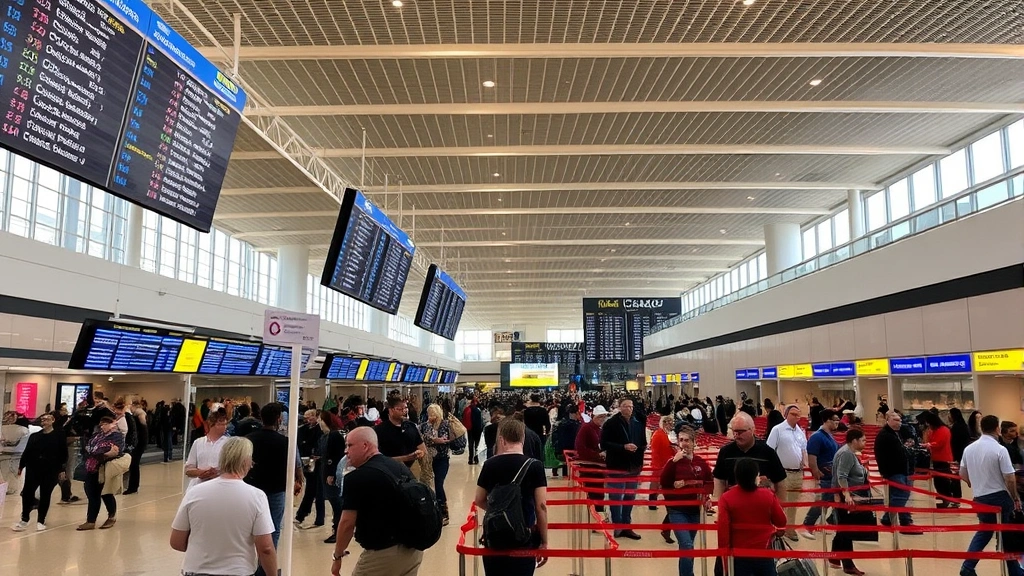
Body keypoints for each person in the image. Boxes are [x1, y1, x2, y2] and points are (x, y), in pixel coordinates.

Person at [170, 436, 278, 576]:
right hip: (238, 571)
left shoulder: (194, 493)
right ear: (246, 461)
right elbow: (266, 548)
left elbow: (176, 542)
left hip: (196, 571)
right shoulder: (256, 496)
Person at [330, 427, 423, 576]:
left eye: (349, 445)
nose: (346, 451)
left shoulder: (355, 478)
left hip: (383, 554)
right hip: (413, 550)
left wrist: (337, 556)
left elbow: (347, 523)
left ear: (365, 446)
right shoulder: (399, 468)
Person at [475, 417, 549, 576]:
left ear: (501, 439)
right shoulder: (535, 466)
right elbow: (541, 506)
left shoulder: (490, 464)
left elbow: (479, 499)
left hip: (494, 536)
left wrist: (500, 510)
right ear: (523, 437)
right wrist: (544, 542)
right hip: (524, 535)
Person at [959, 415, 1024, 576]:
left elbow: (962, 473)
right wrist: (1015, 497)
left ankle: (969, 565)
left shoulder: (969, 449)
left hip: (980, 496)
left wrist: (973, 483)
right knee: (1006, 533)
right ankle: (1014, 570)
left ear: (981, 428)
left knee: (986, 530)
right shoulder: (999, 449)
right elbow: (1009, 478)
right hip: (1000, 497)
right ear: (997, 429)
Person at [246, 402, 303, 561]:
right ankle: (267, 563)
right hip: (276, 490)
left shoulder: (249, 440)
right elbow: (296, 465)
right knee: (274, 528)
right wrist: (298, 481)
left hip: (251, 489)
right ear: (278, 419)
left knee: (249, 528)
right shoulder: (285, 442)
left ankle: (250, 562)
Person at [716, 458, 787, 576]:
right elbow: (781, 521)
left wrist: (724, 556)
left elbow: (723, 531)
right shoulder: (768, 495)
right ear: (756, 476)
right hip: (764, 552)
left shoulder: (726, 498)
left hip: (739, 554)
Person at [660, 426, 713, 576]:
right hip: (676, 510)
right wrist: (673, 462)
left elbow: (708, 481)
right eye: (681, 440)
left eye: (687, 440)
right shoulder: (673, 462)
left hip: (694, 510)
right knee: (687, 545)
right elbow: (664, 481)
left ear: (694, 442)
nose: (683, 443)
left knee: (687, 547)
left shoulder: (701, 462)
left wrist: (707, 497)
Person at [601, 398, 647, 540]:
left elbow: (643, 442)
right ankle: (617, 526)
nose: (629, 409)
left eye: (631, 406)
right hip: (617, 465)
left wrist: (639, 453)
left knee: (629, 497)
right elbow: (604, 444)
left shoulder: (638, 423)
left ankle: (627, 525)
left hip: (633, 466)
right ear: (620, 407)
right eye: (626, 406)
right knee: (616, 497)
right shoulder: (611, 423)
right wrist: (623, 447)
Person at [12, 412, 67, 532]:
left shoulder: (58, 436)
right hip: (34, 468)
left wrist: (62, 470)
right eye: (42, 420)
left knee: (45, 494)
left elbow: (63, 454)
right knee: (27, 493)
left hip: (50, 469)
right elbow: (27, 452)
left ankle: (41, 520)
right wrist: (21, 466)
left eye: (47, 419)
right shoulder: (35, 436)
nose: (44, 421)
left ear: (52, 421)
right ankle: (24, 518)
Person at [831, 428, 871, 576]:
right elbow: (842, 476)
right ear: (854, 440)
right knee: (846, 530)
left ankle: (834, 558)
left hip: (847, 495)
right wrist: (846, 494)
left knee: (842, 528)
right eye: (863, 440)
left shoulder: (848, 452)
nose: (865, 443)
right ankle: (848, 564)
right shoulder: (847, 453)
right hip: (848, 497)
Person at [873, 411, 921, 534]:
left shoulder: (897, 434)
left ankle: (904, 520)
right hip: (894, 471)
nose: (898, 422)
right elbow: (890, 455)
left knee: (900, 496)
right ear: (887, 420)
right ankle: (889, 518)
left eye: (899, 420)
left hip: (903, 470)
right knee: (901, 495)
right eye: (895, 420)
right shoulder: (885, 435)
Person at [765, 404, 807, 541]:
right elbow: (769, 451)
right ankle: (779, 529)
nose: (796, 417)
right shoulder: (777, 430)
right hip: (783, 473)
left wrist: (803, 465)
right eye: (793, 414)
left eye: (798, 414)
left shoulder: (800, 431)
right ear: (786, 415)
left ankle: (790, 529)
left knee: (793, 504)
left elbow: (803, 449)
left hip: (797, 473)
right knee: (781, 503)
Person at [77, 416, 124, 531]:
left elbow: (115, 451)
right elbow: (89, 448)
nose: (102, 426)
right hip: (92, 467)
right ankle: (91, 520)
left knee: (106, 493)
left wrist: (103, 454)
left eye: (105, 424)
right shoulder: (97, 436)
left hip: (104, 468)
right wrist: (102, 453)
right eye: (101, 424)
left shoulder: (117, 436)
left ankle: (111, 516)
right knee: (92, 494)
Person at [799, 409, 840, 539]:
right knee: (821, 501)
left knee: (830, 501)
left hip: (831, 474)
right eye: (835, 420)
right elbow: (812, 457)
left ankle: (824, 523)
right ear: (827, 420)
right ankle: (807, 525)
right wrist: (816, 473)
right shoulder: (817, 437)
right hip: (824, 474)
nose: (837, 423)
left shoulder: (829, 435)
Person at [420, 403, 453, 526]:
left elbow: (447, 439)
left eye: (433, 414)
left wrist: (437, 440)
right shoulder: (424, 425)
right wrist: (433, 440)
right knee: (426, 484)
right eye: (429, 414)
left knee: (439, 483)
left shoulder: (445, 425)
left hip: (442, 459)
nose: (431, 417)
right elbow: (420, 437)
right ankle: (430, 511)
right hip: (428, 459)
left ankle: (444, 512)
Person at [184, 409, 230, 492]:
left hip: (221, 488)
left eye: (225, 424)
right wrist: (202, 473)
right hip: (199, 488)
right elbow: (188, 469)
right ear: (211, 424)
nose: (225, 427)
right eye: (221, 424)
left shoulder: (229, 443)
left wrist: (217, 473)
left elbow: (234, 468)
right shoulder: (198, 442)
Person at [319, 410, 347, 544]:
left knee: (336, 503)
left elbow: (337, 456)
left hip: (332, 474)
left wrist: (332, 474)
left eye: (320, 419)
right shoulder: (325, 436)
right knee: (333, 502)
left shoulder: (334, 436)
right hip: (324, 471)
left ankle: (338, 530)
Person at [374, 397, 426, 469]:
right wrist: (407, 458)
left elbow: (423, 448)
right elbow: (379, 458)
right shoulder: (380, 430)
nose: (404, 411)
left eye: (406, 408)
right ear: (391, 410)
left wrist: (420, 453)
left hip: (411, 471)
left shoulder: (411, 426)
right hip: (389, 471)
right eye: (400, 409)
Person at [921, 410, 960, 507]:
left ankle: (948, 497)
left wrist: (929, 445)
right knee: (939, 481)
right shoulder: (934, 431)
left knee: (944, 481)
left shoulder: (944, 430)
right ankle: (943, 496)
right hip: (936, 458)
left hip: (943, 459)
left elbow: (939, 443)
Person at [575, 405, 609, 515]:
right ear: (594, 417)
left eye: (604, 417)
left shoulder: (601, 430)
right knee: (594, 493)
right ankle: (596, 517)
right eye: (600, 417)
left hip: (599, 467)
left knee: (599, 493)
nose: (602, 419)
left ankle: (599, 516)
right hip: (589, 467)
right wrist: (597, 455)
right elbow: (580, 447)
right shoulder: (586, 428)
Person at [295, 409, 325, 530]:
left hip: (317, 463)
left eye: (310, 417)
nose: (307, 419)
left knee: (317, 491)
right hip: (306, 462)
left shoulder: (320, 431)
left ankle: (315, 517)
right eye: (306, 417)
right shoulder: (303, 429)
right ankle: (302, 515)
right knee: (312, 490)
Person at [648, 415, 678, 519]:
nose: (671, 425)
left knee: (657, 483)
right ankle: (652, 502)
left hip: (664, 463)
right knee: (655, 483)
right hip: (659, 464)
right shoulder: (658, 434)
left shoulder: (664, 434)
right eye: (669, 423)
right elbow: (655, 450)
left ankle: (653, 502)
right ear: (664, 423)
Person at [464, 397, 484, 465]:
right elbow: (481, 421)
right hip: (477, 430)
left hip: (470, 429)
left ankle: (470, 459)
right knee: (476, 445)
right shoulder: (478, 410)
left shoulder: (467, 409)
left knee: (471, 444)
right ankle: (476, 458)